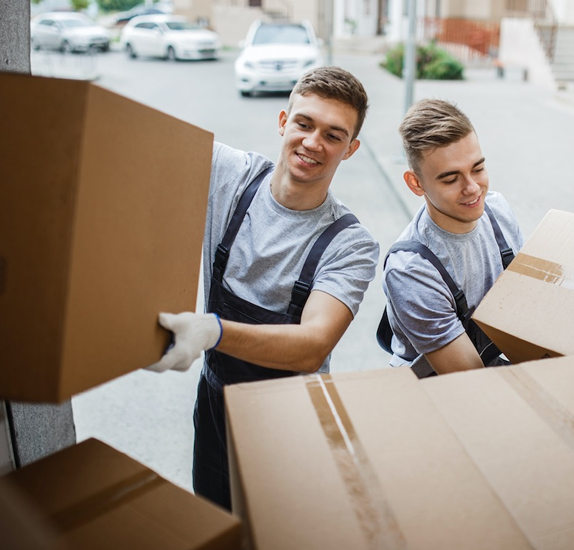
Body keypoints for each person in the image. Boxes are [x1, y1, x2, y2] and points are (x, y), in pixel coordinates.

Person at [147, 67, 379, 511]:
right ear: (282, 122)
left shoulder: (351, 244)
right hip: (216, 403)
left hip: (290, 421)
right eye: (304, 124)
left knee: (277, 531)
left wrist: (212, 332)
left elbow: (312, 345)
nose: (313, 143)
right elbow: (144, 141)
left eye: (333, 135)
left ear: (350, 150)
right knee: (215, 518)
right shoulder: (231, 176)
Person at [379, 99, 524, 378]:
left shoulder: (498, 211)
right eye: (450, 179)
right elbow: (469, 378)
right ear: (415, 183)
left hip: (493, 370)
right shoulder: (411, 270)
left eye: (478, 169)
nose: (473, 189)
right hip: (442, 389)